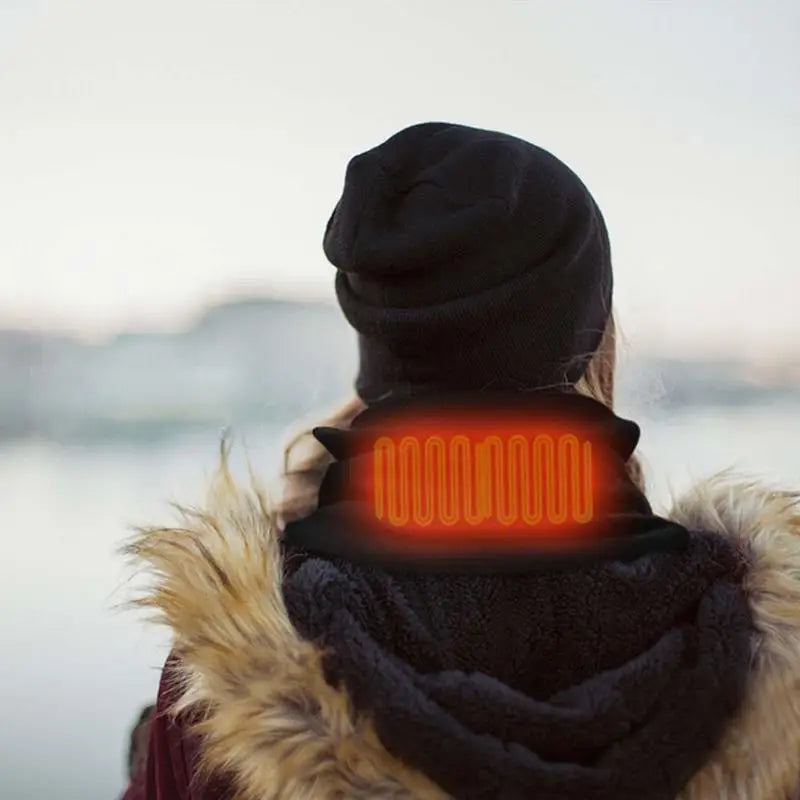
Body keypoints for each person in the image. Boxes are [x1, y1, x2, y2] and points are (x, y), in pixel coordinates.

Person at [122, 122, 800, 800]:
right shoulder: (760, 645)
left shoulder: (232, 682)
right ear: (593, 339)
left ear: (381, 346)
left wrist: (154, 763)